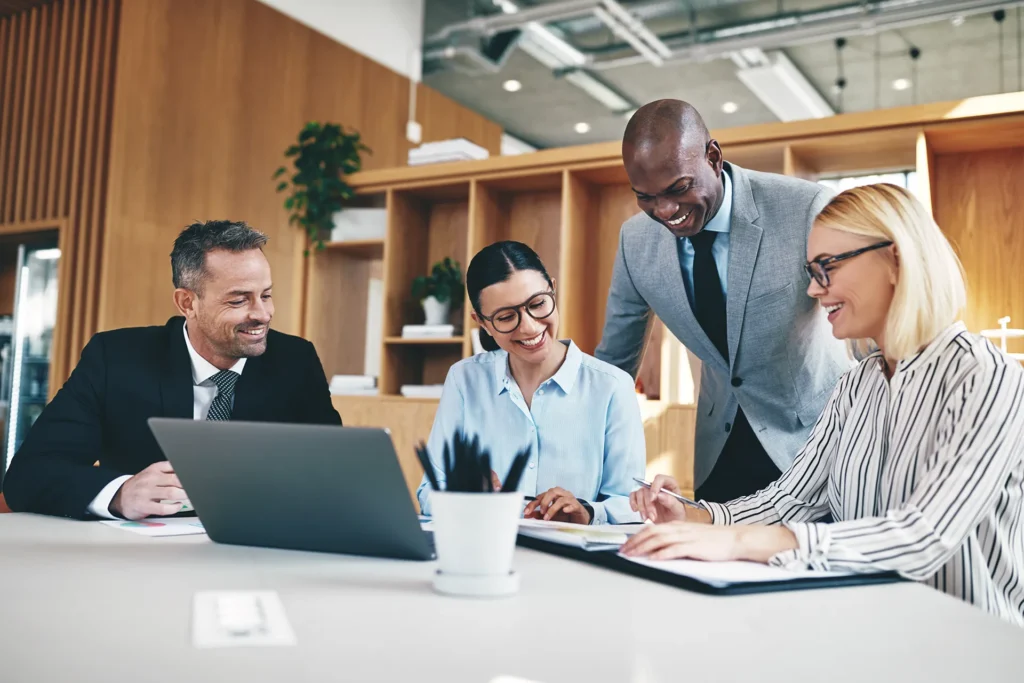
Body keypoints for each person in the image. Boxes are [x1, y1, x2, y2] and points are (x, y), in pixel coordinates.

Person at [622, 184, 1024, 626]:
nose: (814, 290)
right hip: (873, 636)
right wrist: (695, 515)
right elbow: (789, 501)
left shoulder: (987, 377)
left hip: (974, 648)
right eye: (811, 271)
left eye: (826, 267)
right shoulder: (855, 386)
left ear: (895, 259)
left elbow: (924, 536)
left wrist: (742, 543)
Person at [595, 99, 851, 503]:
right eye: (645, 197)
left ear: (713, 157)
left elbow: (864, 323)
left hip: (817, 447)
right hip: (719, 454)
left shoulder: (804, 208)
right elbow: (613, 365)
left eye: (678, 188)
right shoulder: (635, 241)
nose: (665, 211)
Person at [2, 220, 341, 520]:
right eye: (239, 300)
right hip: (139, 561)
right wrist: (120, 494)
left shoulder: (295, 361)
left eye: (265, 295)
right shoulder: (117, 358)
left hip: (257, 551)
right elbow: (30, 475)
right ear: (187, 303)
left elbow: (334, 473)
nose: (263, 313)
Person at [416, 241, 645, 525]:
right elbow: (429, 492)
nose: (529, 327)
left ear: (552, 288)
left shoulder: (612, 387)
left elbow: (630, 507)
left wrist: (586, 512)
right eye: (506, 317)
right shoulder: (465, 380)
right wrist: (461, 495)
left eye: (537, 304)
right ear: (482, 322)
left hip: (572, 562)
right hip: (484, 549)